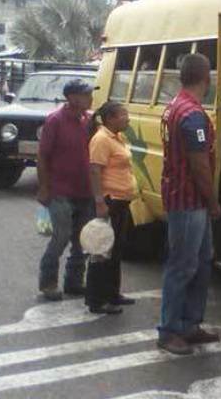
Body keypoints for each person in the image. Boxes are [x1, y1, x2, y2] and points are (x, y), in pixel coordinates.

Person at [157, 53, 221, 355]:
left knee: (202, 261)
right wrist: (213, 201)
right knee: (182, 266)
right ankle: (169, 330)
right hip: (189, 200)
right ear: (206, 78)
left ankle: (189, 324)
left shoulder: (175, 105)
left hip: (184, 198)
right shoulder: (192, 114)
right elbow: (199, 165)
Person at [37, 79, 98, 301]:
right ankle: (48, 283)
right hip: (60, 190)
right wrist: (44, 187)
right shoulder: (55, 120)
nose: (90, 98)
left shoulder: (88, 120)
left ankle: (74, 282)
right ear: (72, 98)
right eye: (86, 94)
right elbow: (43, 156)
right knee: (60, 237)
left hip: (85, 190)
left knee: (82, 241)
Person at [85, 101, 138, 315]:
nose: (128, 118)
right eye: (123, 115)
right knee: (102, 250)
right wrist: (99, 201)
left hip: (121, 201)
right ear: (110, 119)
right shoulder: (101, 139)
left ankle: (112, 293)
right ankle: (97, 300)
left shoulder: (117, 137)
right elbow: (95, 171)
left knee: (116, 250)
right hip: (109, 200)